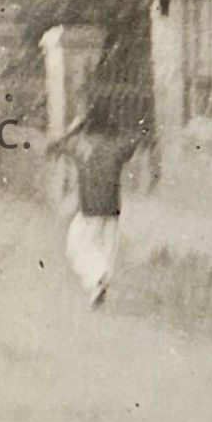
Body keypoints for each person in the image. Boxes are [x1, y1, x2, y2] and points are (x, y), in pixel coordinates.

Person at [54, 108, 146, 309]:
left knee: (75, 246)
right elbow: (134, 140)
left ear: (87, 129)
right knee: (106, 249)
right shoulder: (116, 147)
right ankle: (98, 284)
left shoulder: (82, 147)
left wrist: (73, 129)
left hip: (90, 208)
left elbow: (60, 144)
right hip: (112, 208)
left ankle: (97, 276)